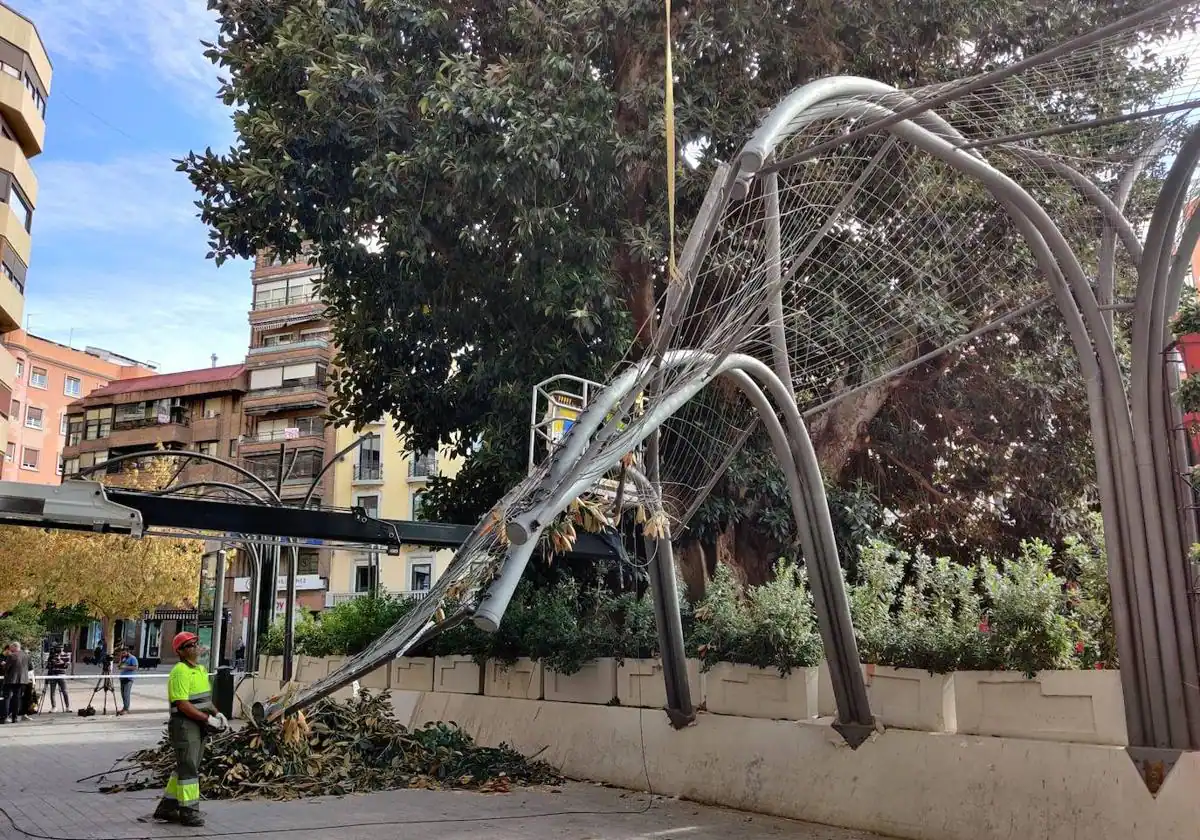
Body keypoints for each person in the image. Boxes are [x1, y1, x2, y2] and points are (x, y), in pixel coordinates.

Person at [152, 632, 227, 827]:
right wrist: (208, 719)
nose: (195, 648)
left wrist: (217, 714)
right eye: (189, 646)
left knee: (185, 766)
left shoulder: (200, 670)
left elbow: (205, 700)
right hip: (184, 725)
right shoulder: (180, 672)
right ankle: (189, 812)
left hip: (198, 725)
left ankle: (167, 807)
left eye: (195, 644)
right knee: (189, 769)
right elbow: (183, 705)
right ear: (181, 652)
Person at [1, 642, 31, 723]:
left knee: (7, 697)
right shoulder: (26, 655)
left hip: (10, 680)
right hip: (22, 680)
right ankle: (15, 717)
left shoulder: (11, 656)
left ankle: (5, 717)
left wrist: (3, 664)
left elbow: (6, 668)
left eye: (11, 647)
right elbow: (29, 667)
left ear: (15, 647)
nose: (10, 649)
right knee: (16, 698)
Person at [45, 645, 71, 712]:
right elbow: (49, 666)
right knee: (52, 692)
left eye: (60, 648)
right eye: (58, 648)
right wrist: (52, 661)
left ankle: (67, 707)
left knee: (65, 691)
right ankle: (54, 707)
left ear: (63, 649)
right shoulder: (52, 655)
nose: (59, 650)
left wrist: (60, 661)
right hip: (53, 674)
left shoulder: (66, 655)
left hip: (62, 674)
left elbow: (66, 666)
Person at [116, 646, 138, 715]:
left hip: (129, 679)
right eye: (122, 653)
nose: (123, 654)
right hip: (122, 678)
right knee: (123, 694)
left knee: (126, 694)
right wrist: (120, 660)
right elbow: (119, 667)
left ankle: (126, 709)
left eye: (124, 653)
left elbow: (135, 667)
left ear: (128, 652)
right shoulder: (124, 658)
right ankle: (124, 707)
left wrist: (126, 667)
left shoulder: (133, 658)